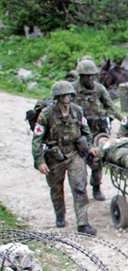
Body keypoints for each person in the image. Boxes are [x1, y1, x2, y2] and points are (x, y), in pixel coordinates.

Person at [31, 80, 98, 235]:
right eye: (63, 96)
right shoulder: (46, 115)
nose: (66, 99)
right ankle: (60, 215)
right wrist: (40, 161)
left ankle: (83, 223)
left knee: (80, 187)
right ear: (57, 98)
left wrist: (90, 145)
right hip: (55, 156)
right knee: (56, 188)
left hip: (74, 153)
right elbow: (37, 139)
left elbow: (86, 130)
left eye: (69, 95)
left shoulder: (77, 111)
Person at [72, 59, 123, 201]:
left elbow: (110, 107)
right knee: (78, 163)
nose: (89, 79)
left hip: (96, 131)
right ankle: (79, 192)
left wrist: (121, 119)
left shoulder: (99, 89)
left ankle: (96, 186)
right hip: (78, 132)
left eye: (92, 76)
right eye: (86, 76)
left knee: (98, 160)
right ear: (80, 76)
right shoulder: (72, 90)